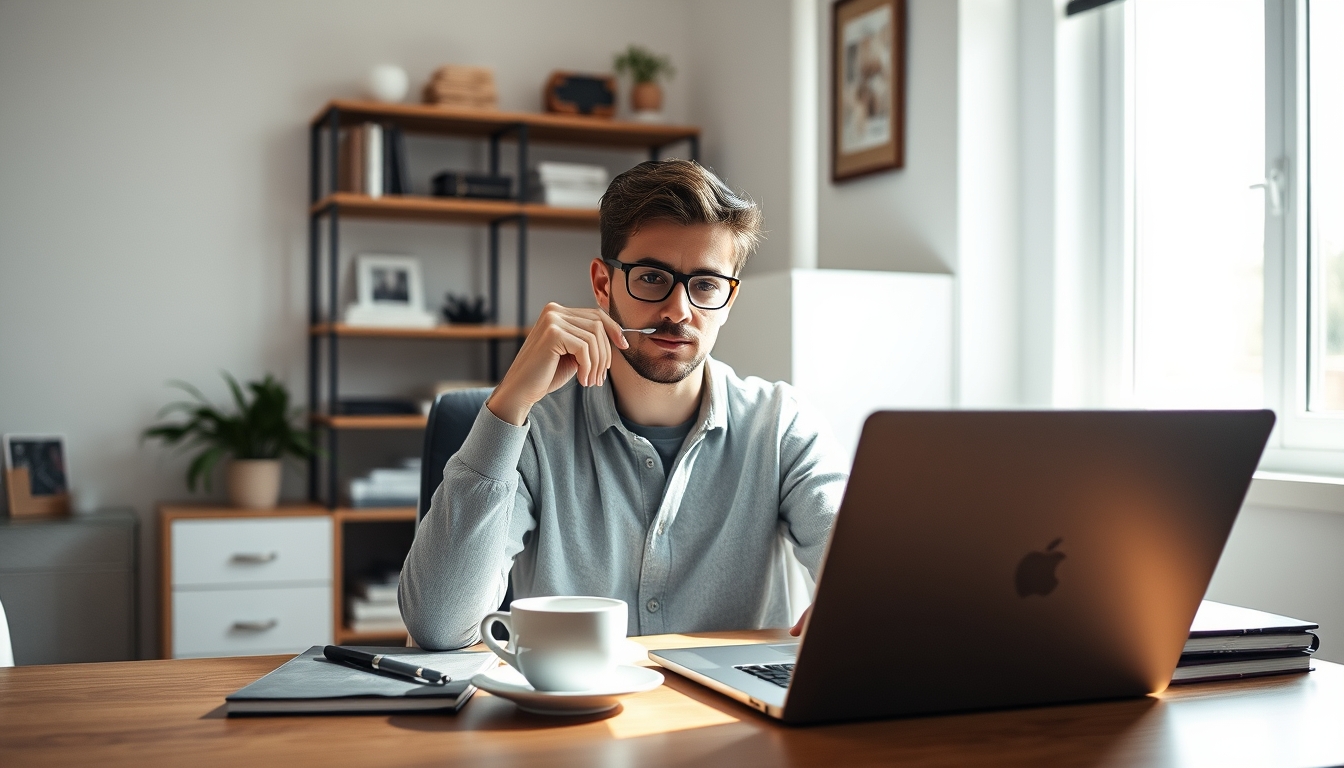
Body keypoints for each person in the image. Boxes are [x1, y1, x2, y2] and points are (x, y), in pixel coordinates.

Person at [400, 159, 848, 650]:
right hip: (570, 717)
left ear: (729, 299)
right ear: (602, 283)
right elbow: (440, 626)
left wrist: (856, 595)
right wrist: (508, 404)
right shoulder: (535, 431)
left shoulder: (782, 425)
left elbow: (865, 577)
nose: (679, 311)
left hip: (735, 717)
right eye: (653, 278)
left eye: (705, 285)